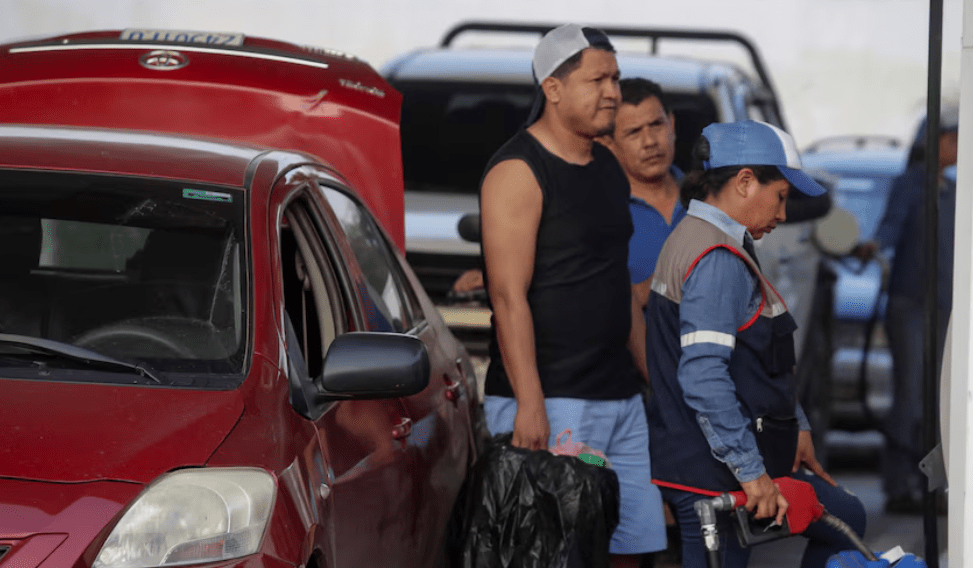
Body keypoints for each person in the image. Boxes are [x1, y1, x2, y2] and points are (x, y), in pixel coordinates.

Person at [479, 23, 666, 567]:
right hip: (554, 402)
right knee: (556, 556)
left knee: (636, 547)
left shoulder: (608, 165)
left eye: (616, 77)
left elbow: (617, 287)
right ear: (553, 88)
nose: (613, 91)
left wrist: (659, 380)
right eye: (597, 79)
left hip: (620, 399)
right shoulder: (518, 171)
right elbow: (507, 297)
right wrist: (531, 405)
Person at [645, 120, 866, 567]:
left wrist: (794, 425)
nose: (783, 214)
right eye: (780, 196)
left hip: (701, 463)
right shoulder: (717, 258)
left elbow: (757, 358)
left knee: (845, 515)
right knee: (844, 519)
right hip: (713, 473)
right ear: (745, 181)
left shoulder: (700, 236)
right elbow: (704, 376)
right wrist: (752, 474)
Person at [853, 106, 959, 514]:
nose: (957, 146)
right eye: (951, 138)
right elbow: (890, 229)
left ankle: (932, 487)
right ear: (931, 142)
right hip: (911, 304)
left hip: (946, 308)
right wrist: (871, 246)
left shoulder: (949, 190)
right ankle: (900, 486)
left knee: (939, 398)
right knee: (911, 396)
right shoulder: (909, 185)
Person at [601, 77, 686, 380]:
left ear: (672, 124)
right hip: (631, 388)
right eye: (634, 132)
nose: (650, 142)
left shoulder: (712, 201)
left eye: (656, 125)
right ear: (609, 144)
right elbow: (592, 306)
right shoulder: (599, 213)